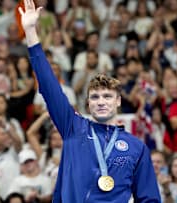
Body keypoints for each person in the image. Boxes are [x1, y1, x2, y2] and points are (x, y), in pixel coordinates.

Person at [18, 0, 160, 202]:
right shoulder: (73, 127)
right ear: (88, 104)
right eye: (95, 97)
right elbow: (49, 87)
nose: (101, 102)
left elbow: (149, 198)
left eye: (107, 96)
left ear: (118, 101)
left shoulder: (136, 147)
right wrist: (31, 32)